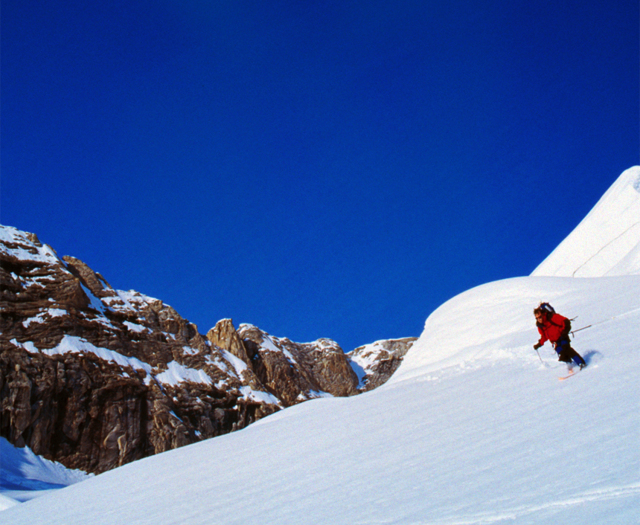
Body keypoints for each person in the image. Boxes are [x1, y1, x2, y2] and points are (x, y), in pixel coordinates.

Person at [533, 303, 586, 369]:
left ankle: (581, 363)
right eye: (537, 318)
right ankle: (570, 366)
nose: (539, 319)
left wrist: (564, 332)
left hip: (562, 337)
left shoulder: (552, 317)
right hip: (555, 342)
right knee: (561, 353)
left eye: (540, 317)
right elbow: (544, 336)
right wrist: (539, 344)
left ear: (543, 314)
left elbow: (566, 322)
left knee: (567, 349)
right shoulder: (541, 326)